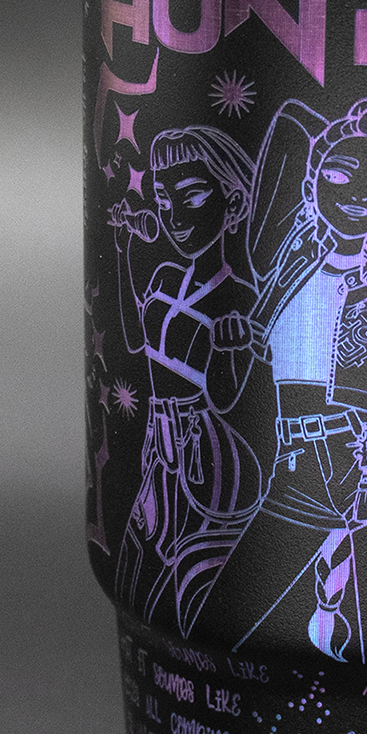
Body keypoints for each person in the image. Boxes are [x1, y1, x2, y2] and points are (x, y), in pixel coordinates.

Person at [196, 98, 367, 663]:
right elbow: (227, 398)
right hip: (296, 470)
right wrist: (227, 347)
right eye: (340, 175)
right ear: (311, 183)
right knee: (224, 615)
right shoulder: (284, 280)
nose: (360, 193)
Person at [108, 124, 271, 633]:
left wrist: (228, 346)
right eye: (163, 200)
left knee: (195, 585)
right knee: (136, 565)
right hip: (157, 448)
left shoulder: (240, 296)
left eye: (193, 196)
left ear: (233, 203)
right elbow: (133, 340)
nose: (174, 216)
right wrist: (124, 250)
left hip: (206, 455)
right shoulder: (164, 276)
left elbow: (227, 399)